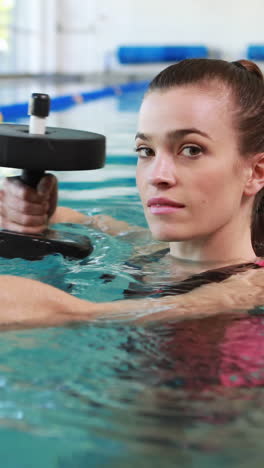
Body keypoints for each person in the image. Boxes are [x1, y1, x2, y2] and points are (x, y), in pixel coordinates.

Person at [1, 57, 264, 330]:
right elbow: (96, 222)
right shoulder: (153, 252)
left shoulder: (252, 287)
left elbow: (93, 314)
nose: (157, 176)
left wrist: (63, 310)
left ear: (256, 173)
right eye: (146, 151)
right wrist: (33, 210)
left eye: (191, 150)